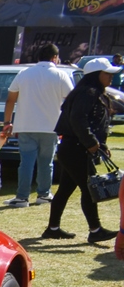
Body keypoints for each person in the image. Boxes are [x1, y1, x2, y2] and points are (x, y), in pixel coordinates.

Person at [42, 57, 121, 243]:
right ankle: (95, 230)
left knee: (65, 189)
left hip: (75, 148)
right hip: (77, 148)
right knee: (89, 189)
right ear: (96, 75)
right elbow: (78, 119)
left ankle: (52, 228)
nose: (110, 77)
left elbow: (92, 123)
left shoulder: (90, 92)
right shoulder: (88, 92)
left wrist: (101, 145)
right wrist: (92, 142)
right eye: (107, 73)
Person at [2, 44, 72, 208]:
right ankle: (44, 194)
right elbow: (70, 99)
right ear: (55, 57)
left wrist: (7, 122)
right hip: (51, 126)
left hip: (25, 125)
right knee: (46, 162)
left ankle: (22, 197)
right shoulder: (61, 74)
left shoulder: (24, 73)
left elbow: (10, 99)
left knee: (26, 162)